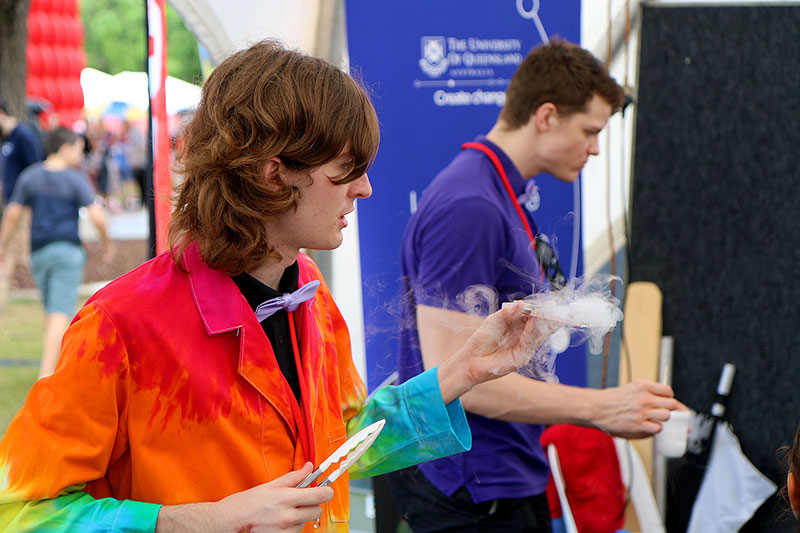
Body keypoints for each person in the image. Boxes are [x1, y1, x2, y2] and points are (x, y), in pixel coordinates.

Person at [0, 40, 561, 532]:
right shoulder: (119, 325)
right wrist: (193, 522)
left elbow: (340, 446)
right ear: (275, 173)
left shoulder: (309, 291)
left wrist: (464, 370)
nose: (364, 190)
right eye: (348, 167)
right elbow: (23, 512)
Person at [386, 38, 682, 532]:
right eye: (590, 130)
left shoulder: (502, 193)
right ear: (546, 116)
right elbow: (457, 380)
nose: (596, 148)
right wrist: (603, 407)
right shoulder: (471, 206)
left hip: (504, 472)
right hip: (472, 488)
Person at [0, 128, 113, 378]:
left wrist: (3, 246)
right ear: (64, 148)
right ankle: (47, 376)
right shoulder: (75, 178)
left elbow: (12, 214)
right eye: (77, 149)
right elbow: (96, 216)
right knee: (59, 311)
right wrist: (108, 242)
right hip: (67, 253)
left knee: (52, 310)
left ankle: (57, 367)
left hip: (38, 254)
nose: (80, 155)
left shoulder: (30, 176)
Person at [0, 98, 45, 309]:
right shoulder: (6, 139)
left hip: (23, 205)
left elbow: (36, 169)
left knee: (13, 248)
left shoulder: (23, 135)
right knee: (8, 248)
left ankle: (25, 289)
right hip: (11, 202)